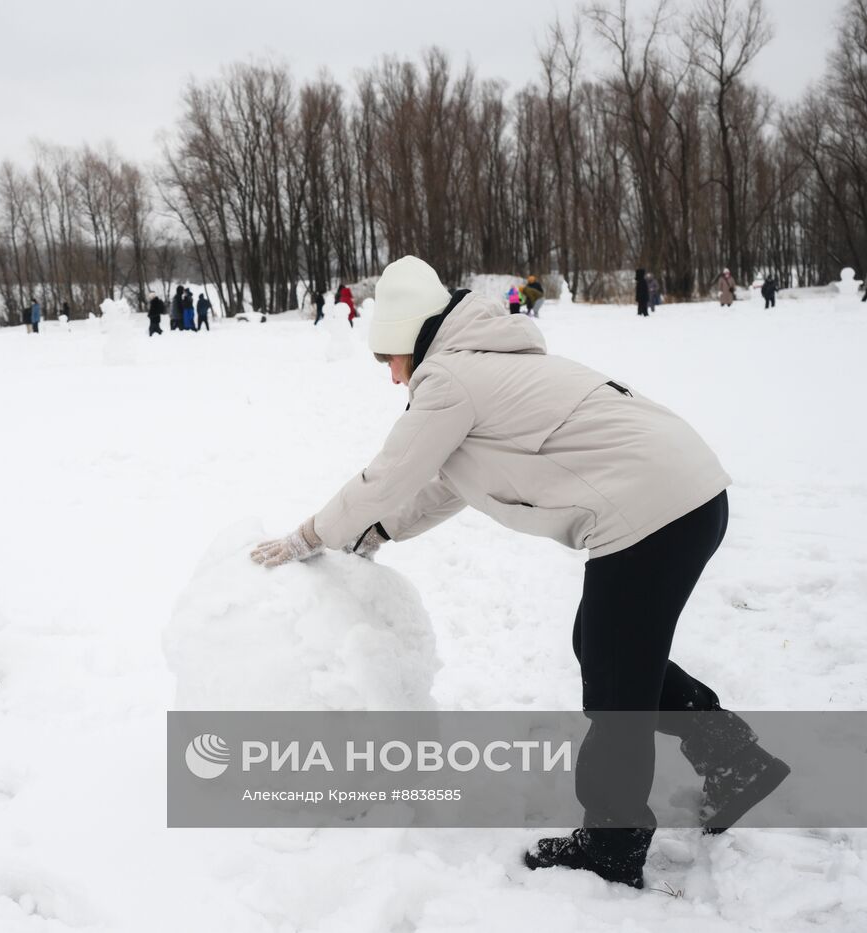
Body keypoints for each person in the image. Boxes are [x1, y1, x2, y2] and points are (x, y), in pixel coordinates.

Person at [250, 254, 788, 890]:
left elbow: (387, 477)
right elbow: (445, 485)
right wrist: (378, 532)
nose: (392, 378)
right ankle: (732, 758)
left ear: (410, 342)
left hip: (652, 511)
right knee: (605, 653)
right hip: (687, 497)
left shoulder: (449, 380)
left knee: (616, 680)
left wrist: (310, 537)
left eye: (387, 360)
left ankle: (614, 843)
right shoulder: (485, 366)